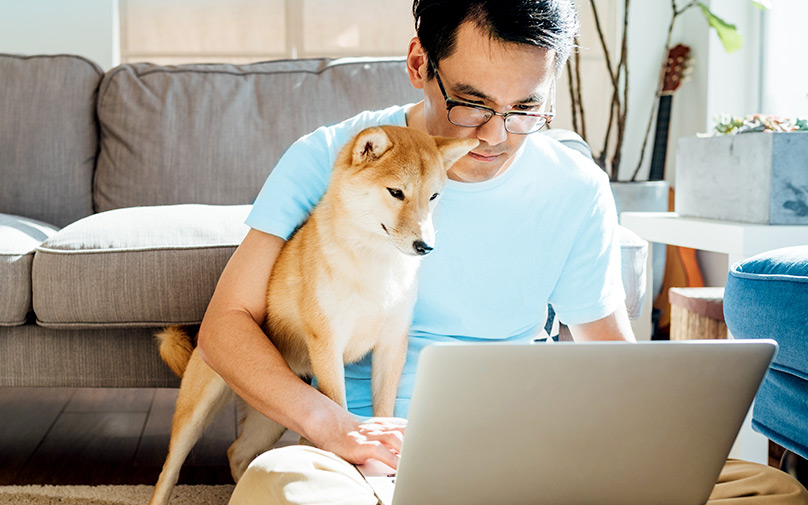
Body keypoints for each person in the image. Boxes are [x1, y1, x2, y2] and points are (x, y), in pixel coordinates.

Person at [197, 1, 808, 503]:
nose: (495, 136)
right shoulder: (332, 157)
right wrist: (332, 427)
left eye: (525, 110)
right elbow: (225, 329)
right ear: (418, 62)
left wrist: (656, 444)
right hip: (359, 454)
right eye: (473, 103)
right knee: (285, 493)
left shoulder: (575, 188)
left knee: (767, 490)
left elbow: (613, 356)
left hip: (524, 445)